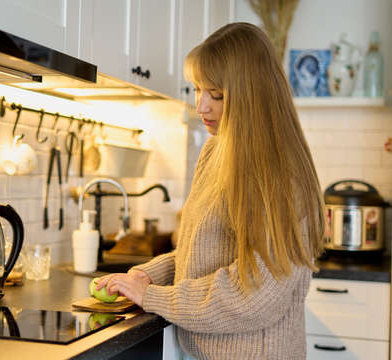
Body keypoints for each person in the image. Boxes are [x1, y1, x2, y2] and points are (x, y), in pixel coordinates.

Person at [96, 22, 326, 360]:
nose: (201, 106)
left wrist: (154, 296)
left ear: (251, 94)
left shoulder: (276, 171)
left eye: (216, 95)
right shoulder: (217, 149)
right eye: (197, 89)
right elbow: (203, 250)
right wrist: (146, 275)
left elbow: (254, 293)